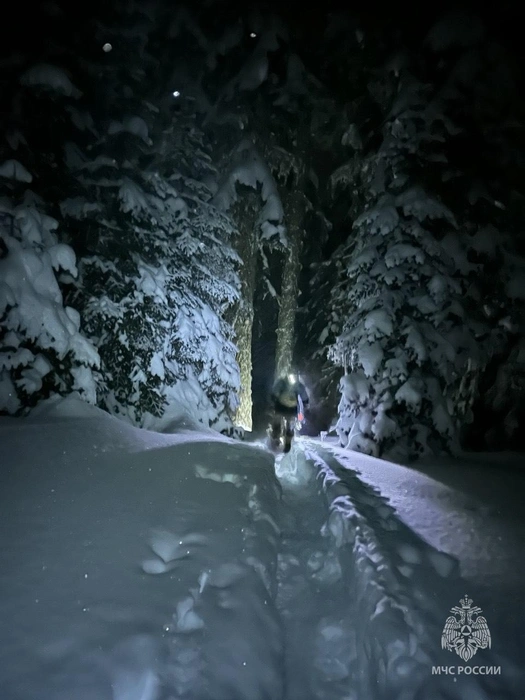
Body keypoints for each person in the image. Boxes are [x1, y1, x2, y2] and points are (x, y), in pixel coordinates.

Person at [269, 373, 309, 452]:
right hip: (281, 406)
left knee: (290, 425)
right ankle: (275, 438)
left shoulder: (297, 385)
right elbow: (275, 390)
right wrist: (274, 397)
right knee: (277, 422)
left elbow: (303, 393)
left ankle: (287, 442)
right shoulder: (282, 382)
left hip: (290, 407)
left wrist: (305, 401)